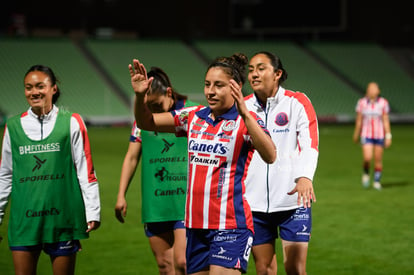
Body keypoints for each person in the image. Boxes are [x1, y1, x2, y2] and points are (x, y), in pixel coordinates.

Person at [130, 53, 276, 275]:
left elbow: (270, 155)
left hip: (230, 225)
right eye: (207, 85)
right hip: (196, 226)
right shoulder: (193, 116)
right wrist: (140, 97)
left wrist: (245, 113)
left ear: (235, 87)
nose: (210, 91)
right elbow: (146, 122)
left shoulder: (246, 121)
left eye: (218, 85)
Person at [0, 65, 101, 275]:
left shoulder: (71, 121)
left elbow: (85, 169)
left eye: (40, 86)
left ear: (53, 88)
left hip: (63, 219)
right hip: (24, 221)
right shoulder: (13, 126)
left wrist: (93, 211)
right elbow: (5, 175)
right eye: (28, 87)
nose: (34, 92)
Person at [114, 66, 198, 275]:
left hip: (185, 202)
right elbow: (132, 157)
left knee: (183, 262)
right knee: (164, 266)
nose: (154, 113)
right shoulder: (142, 121)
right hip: (156, 203)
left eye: (157, 105)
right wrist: (121, 195)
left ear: (169, 93)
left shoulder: (193, 114)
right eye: (149, 107)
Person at [244, 51, 319, 275]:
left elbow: (310, 143)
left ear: (277, 73)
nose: (254, 74)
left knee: (295, 269)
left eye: (260, 68)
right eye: (250, 70)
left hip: (293, 201)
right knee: (264, 269)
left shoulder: (297, 102)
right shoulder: (243, 107)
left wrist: (305, 176)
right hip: (254, 203)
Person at [353, 81, 391, 190]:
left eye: (373, 89)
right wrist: (356, 134)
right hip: (366, 134)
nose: (371, 91)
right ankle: (366, 173)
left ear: (378, 91)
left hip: (379, 135)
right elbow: (359, 119)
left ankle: (376, 182)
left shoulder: (383, 103)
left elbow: (385, 120)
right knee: (367, 157)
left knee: (378, 159)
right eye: (369, 88)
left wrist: (388, 135)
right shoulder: (362, 103)